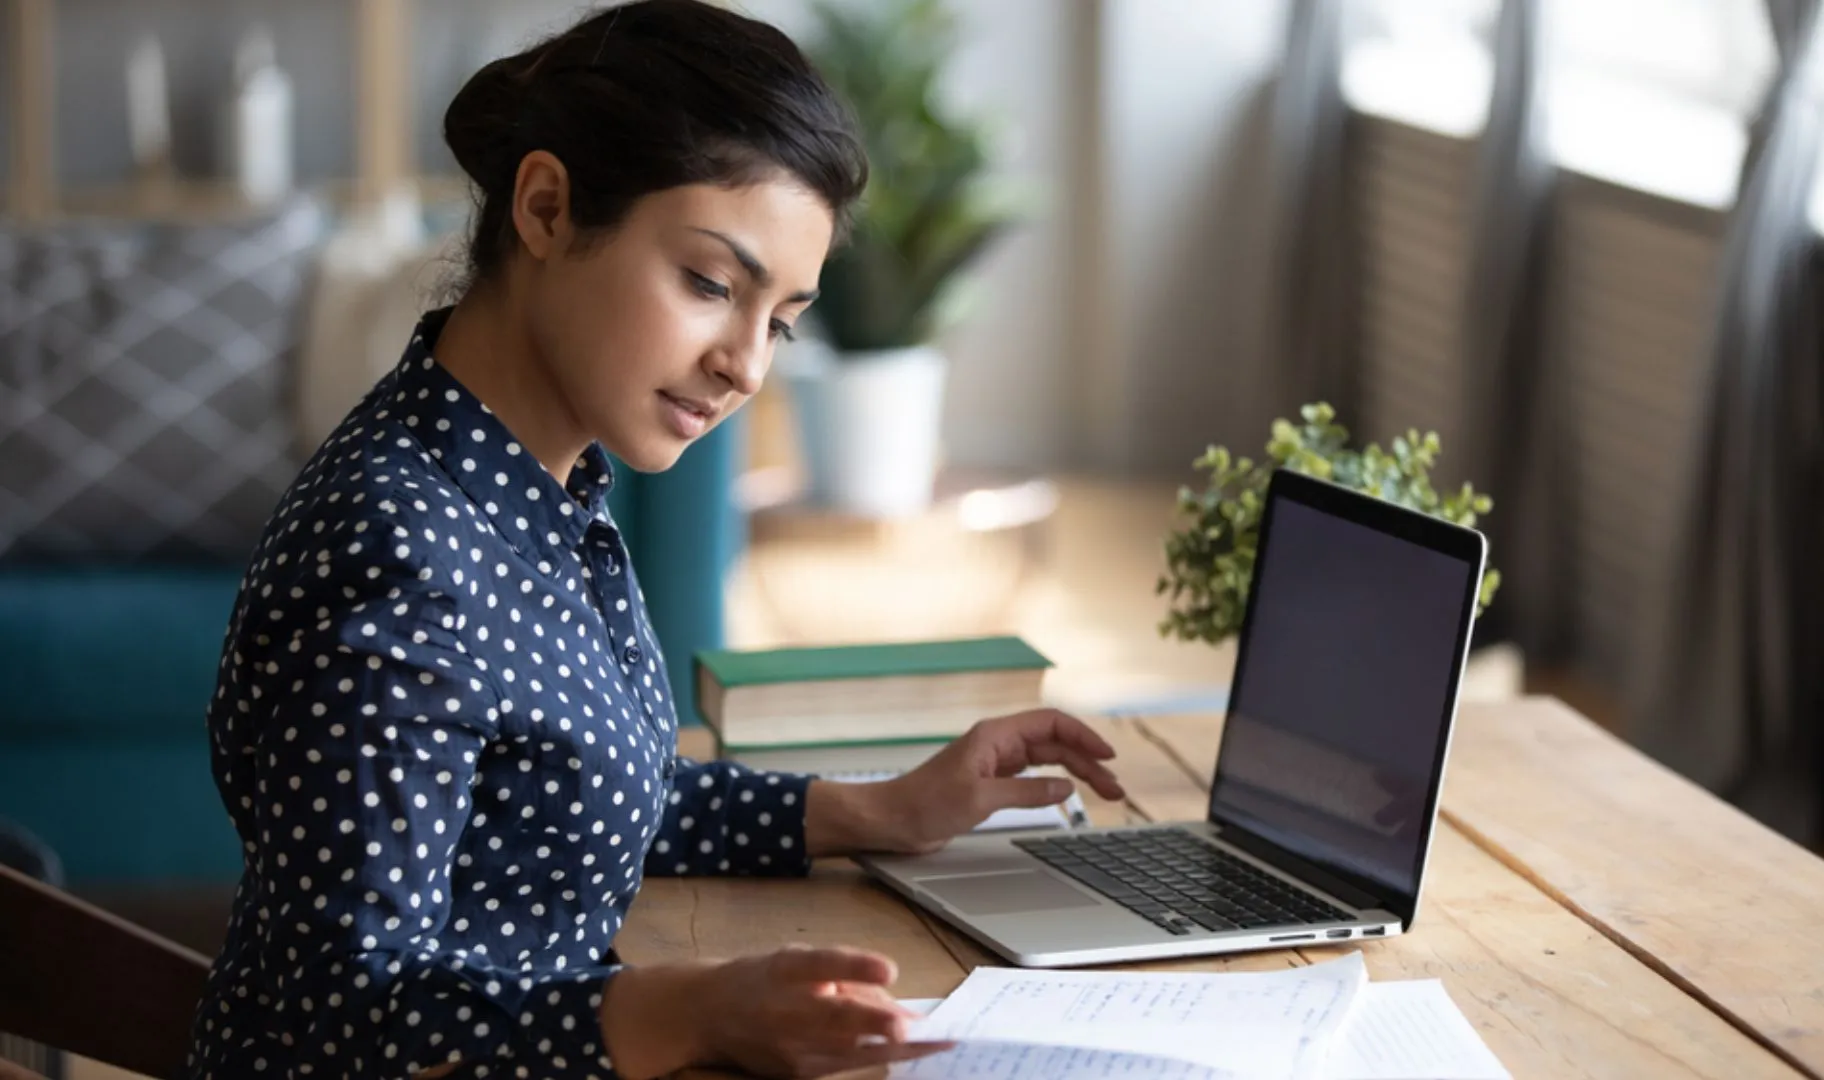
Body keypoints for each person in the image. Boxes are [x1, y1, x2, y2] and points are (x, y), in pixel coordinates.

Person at [183, 3, 1127, 1078]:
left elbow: (569, 800)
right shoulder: (400, 550)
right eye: (712, 285)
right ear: (546, 209)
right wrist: (686, 1010)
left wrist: (886, 808)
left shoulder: (541, 493)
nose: (747, 366)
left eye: (779, 322)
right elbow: (336, 1014)